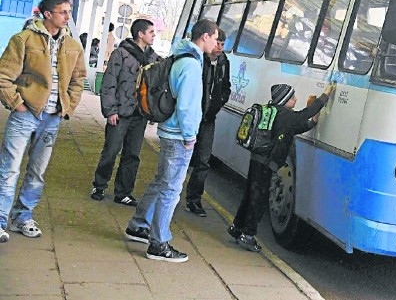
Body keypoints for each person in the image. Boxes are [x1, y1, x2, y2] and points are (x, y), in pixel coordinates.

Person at [124, 19, 218, 263]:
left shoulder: (180, 58)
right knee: (171, 190)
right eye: (215, 37)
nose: (216, 43)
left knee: (160, 182)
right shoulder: (191, 65)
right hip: (179, 135)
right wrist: (190, 136)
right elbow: (187, 105)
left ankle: (138, 225)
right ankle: (159, 243)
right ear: (205, 37)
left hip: (169, 130)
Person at [0, 0, 86, 243]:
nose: (68, 16)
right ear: (47, 14)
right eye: (63, 12)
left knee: (37, 172)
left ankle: (23, 217)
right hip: (25, 115)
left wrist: (68, 105)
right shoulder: (24, 39)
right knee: (10, 169)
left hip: (52, 118)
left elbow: (79, 79)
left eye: (69, 11)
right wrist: (17, 104)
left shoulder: (72, 44)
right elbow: (4, 76)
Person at [228, 82, 335, 252]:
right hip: (266, 163)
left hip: (257, 160)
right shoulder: (285, 114)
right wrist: (325, 96)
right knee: (259, 200)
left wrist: (312, 123)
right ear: (285, 100)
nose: (296, 99)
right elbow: (305, 114)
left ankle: (237, 227)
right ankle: (247, 235)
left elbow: (296, 127)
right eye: (293, 98)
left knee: (250, 196)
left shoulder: (276, 113)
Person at [90, 19, 159, 206]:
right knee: (111, 150)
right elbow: (109, 82)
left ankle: (123, 192)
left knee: (133, 154)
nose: (154, 35)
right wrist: (110, 110)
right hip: (119, 112)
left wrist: (152, 110)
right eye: (151, 32)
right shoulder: (121, 54)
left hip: (140, 114)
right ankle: (100, 185)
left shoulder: (154, 58)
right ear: (140, 34)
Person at [184, 28, 231, 217]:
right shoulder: (197, 58)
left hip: (208, 119)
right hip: (191, 116)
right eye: (217, 43)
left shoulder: (223, 62)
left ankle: (194, 199)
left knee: (203, 161)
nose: (219, 47)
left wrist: (218, 104)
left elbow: (225, 86)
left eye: (222, 44)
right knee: (183, 158)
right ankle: (169, 195)